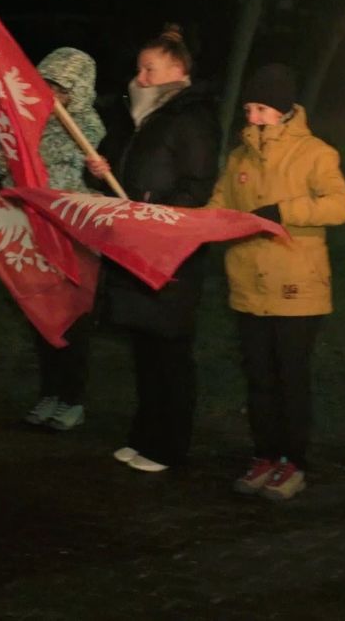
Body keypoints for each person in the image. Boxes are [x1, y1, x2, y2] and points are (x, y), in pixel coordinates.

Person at [209, 63, 345, 501]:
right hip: (248, 286)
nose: (251, 117)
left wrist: (284, 211)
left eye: (260, 109)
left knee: (291, 377)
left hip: (297, 289)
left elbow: (340, 206)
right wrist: (183, 224)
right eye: (249, 108)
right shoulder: (238, 157)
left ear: (283, 110)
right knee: (258, 378)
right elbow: (218, 206)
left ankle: (294, 461)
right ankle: (265, 455)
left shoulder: (316, 153)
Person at [86, 25, 221, 473]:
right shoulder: (137, 118)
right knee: (144, 346)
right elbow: (119, 177)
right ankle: (144, 436)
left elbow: (197, 185)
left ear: (177, 71)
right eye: (139, 69)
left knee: (169, 348)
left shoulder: (192, 117)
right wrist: (98, 170)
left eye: (150, 69)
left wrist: (155, 217)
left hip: (171, 250)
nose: (140, 77)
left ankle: (168, 445)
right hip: (135, 245)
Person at [0, 47, 105, 432]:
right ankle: (49, 392)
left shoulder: (91, 129)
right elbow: (8, 148)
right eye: (47, 84)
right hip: (34, 231)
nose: (53, 94)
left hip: (72, 236)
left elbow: (91, 173)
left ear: (79, 90)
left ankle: (71, 398)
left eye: (62, 87)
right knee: (42, 315)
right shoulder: (29, 120)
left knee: (72, 320)